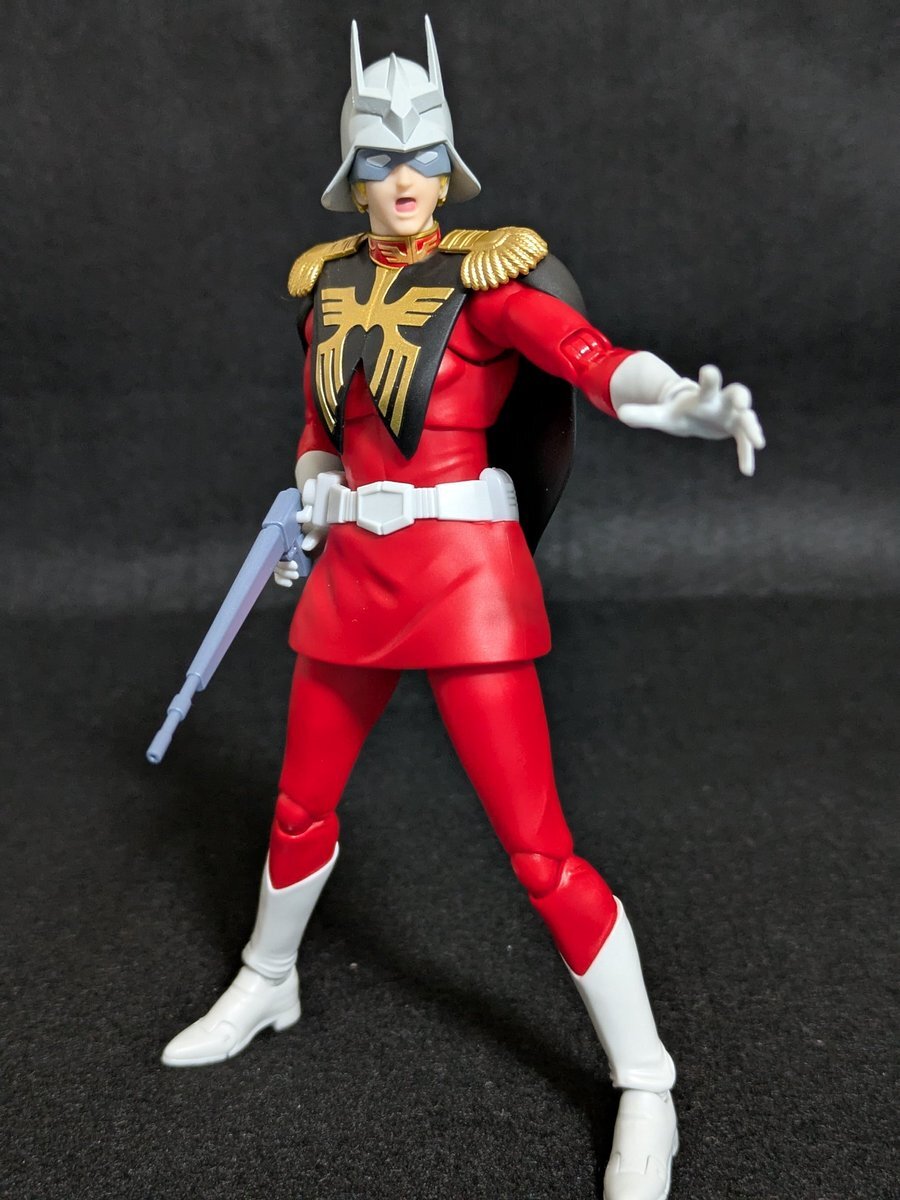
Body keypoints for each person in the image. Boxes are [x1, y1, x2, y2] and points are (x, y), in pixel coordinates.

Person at [161, 20, 764, 1200]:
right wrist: (313, 487)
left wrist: (680, 404)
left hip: (464, 578)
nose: (403, 177)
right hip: (354, 576)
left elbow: (591, 358)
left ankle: (646, 1079)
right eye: (381, 157)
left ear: (448, 167)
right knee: (299, 804)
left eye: (423, 155)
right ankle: (268, 979)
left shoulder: (488, 283)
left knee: (538, 849)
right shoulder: (327, 289)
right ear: (352, 171)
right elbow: (321, 427)